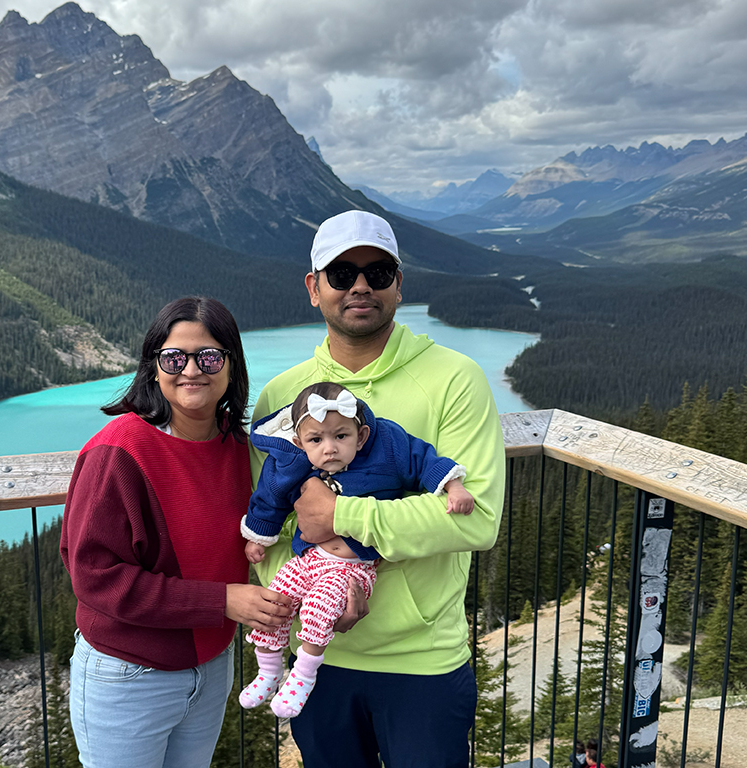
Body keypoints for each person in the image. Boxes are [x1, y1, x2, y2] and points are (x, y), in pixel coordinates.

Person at [250, 210, 506, 768]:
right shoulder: (282, 395)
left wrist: (342, 515)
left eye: (378, 271)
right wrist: (294, 605)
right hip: (315, 656)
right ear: (313, 288)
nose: (360, 285)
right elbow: (265, 521)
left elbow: (477, 518)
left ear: (398, 284)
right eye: (341, 274)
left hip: (421, 663)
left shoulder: (453, 378)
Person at [61, 296, 292, 768]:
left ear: (231, 366)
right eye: (174, 358)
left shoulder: (238, 447)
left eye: (209, 357)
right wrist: (222, 602)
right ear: (154, 367)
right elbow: (94, 577)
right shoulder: (119, 451)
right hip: (128, 675)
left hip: (211, 669)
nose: (191, 370)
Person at [238, 381, 474, 718]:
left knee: (318, 608)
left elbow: (423, 459)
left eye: (341, 436)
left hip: (351, 569)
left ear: (360, 436)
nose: (329, 448)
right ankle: (269, 668)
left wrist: (454, 485)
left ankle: (303, 674)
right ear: (298, 441)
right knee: (276, 600)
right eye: (316, 440)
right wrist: (259, 537)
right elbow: (269, 498)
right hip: (309, 558)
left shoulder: (386, 450)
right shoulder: (295, 464)